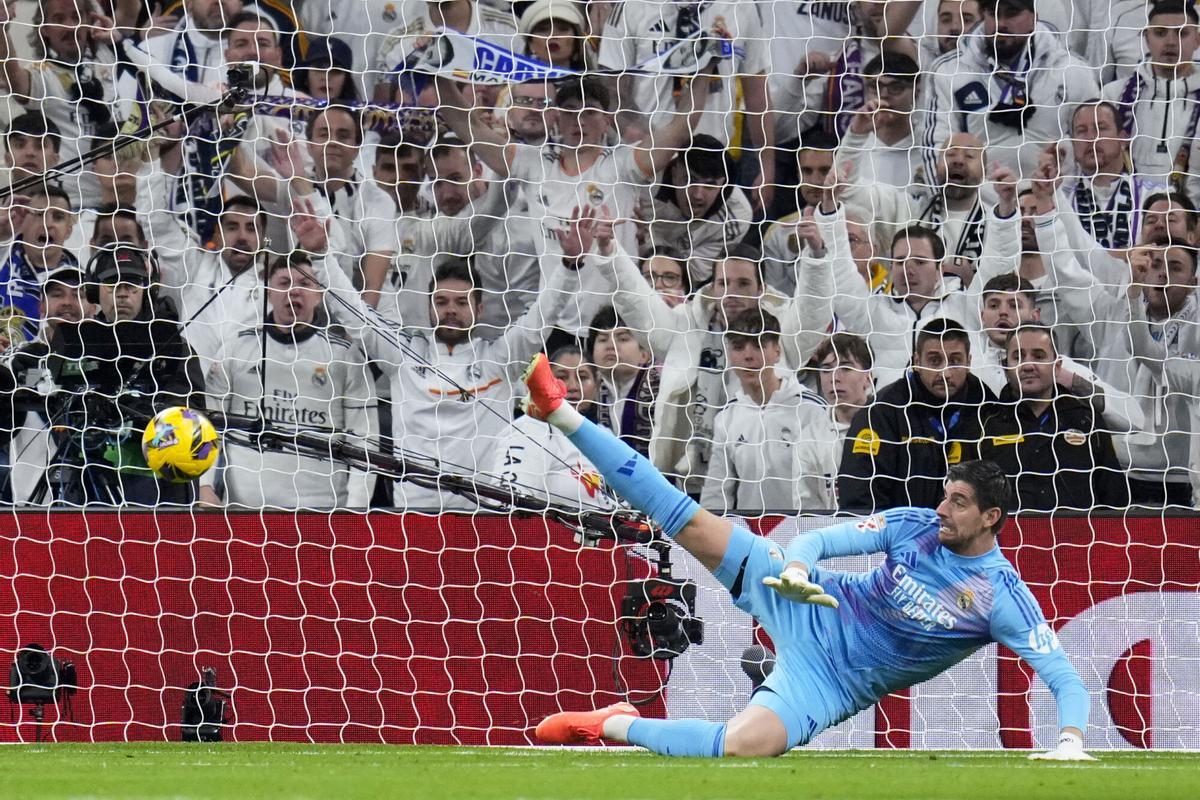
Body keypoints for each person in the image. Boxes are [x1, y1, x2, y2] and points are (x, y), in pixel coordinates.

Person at [520, 354, 1093, 761]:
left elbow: (1065, 679)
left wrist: (1069, 742)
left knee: (744, 747)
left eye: (958, 502)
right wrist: (794, 567)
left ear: (991, 518)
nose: (941, 508)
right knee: (688, 522)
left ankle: (613, 724)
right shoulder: (913, 526)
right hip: (812, 601)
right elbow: (820, 540)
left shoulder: (1002, 596)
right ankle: (561, 412)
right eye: (944, 494)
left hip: (834, 681)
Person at [202, 253, 378, 510]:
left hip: (323, 514)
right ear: (268, 291)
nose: (294, 291)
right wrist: (205, 487)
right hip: (244, 513)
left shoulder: (345, 357)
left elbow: (364, 441)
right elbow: (208, 428)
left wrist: (356, 507)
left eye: (304, 284)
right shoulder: (234, 348)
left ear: (319, 295)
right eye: (284, 283)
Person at [922, 0, 1099, 179]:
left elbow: (1097, 147)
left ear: (1033, 19)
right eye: (993, 13)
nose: (1001, 24)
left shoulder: (1074, 71)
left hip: (1056, 198)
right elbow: (935, 150)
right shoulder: (949, 71)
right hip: (979, 202)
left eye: (1011, 13)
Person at [838, 318, 996, 512]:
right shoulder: (882, 411)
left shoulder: (987, 407)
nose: (945, 373)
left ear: (969, 362)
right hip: (897, 536)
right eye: (934, 361)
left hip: (968, 537)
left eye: (955, 361)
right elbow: (859, 495)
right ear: (917, 362)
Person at [700, 309, 838, 514]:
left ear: (777, 351)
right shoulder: (726, 418)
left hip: (805, 531)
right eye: (739, 347)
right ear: (729, 354)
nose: (748, 356)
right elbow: (716, 495)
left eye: (758, 346)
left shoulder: (812, 410)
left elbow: (831, 489)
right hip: (752, 536)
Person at [979, 325, 1127, 511]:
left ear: (1057, 366)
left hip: (1078, 537)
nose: (1028, 365)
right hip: (1008, 538)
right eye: (1018, 357)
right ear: (1005, 366)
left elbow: (1114, 497)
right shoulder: (986, 423)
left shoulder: (1086, 420)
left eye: (1039, 356)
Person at [492, 343, 609, 509]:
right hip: (546, 533)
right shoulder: (528, 429)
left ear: (597, 385)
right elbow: (505, 507)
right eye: (561, 377)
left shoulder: (606, 435)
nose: (573, 387)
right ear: (544, 382)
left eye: (582, 377)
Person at [1102, 1, 1200, 199]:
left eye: (1182, 33)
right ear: (1146, 38)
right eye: (1160, 33)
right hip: (1124, 212)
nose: (1171, 42)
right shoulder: (1113, 96)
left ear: (1198, 40)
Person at [644, 136, 753, 286]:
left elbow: (691, 275)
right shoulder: (644, 183)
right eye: (690, 181)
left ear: (722, 183)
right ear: (674, 174)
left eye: (710, 185)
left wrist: (645, 242)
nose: (698, 195)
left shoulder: (736, 215)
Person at [1063, 102, 1163, 251]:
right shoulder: (1061, 201)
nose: (1091, 138)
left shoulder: (1158, 197)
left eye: (1101, 128)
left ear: (1122, 140)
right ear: (1073, 144)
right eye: (1082, 131)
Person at [586, 305, 660, 458]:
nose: (611, 345)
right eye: (602, 339)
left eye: (623, 339)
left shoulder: (661, 391)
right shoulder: (585, 390)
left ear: (644, 354)